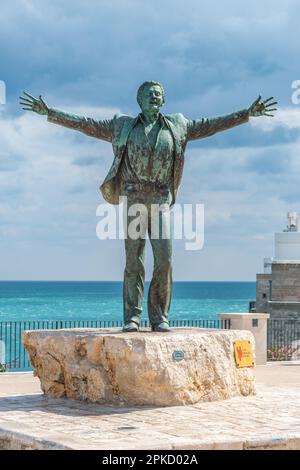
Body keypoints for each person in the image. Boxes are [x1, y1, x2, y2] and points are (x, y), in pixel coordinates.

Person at [19, 81, 277, 332]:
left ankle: (159, 317)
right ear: (139, 101)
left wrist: (246, 114)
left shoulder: (178, 125)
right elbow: (86, 124)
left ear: (163, 100)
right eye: (149, 94)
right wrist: (51, 112)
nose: (154, 97)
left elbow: (211, 125)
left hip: (161, 199)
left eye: (158, 94)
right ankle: (132, 317)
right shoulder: (123, 126)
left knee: (164, 259)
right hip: (134, 199)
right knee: (134, 261)